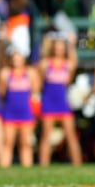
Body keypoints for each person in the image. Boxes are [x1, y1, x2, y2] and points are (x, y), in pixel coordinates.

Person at [37, 32, 82, 166]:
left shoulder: (68, 64)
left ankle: (77, 165)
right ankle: (43, 165)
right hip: (48, 102)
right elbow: (39, 83)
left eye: (61, 47)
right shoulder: (45, 64)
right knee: (46, 136)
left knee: (71, 135)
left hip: (63, 102)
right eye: (56, 47)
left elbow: (74, 62)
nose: (59, 50)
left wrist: (72, 44)